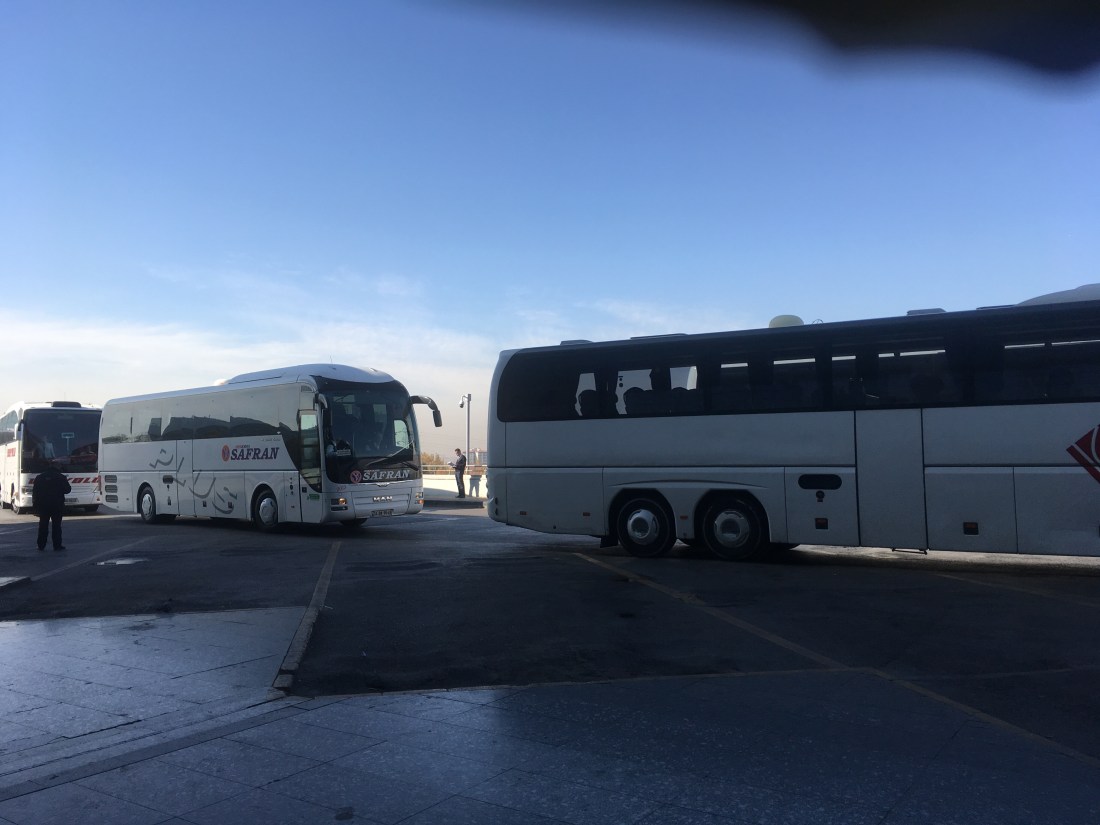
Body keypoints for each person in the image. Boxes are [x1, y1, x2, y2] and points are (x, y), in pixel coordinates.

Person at [32, 462, 71, 551]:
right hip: (57, 505)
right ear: (57, 467)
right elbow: (67, 490)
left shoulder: (40, 477)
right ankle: (57, 545)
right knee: (56, 526)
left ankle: (41, 545)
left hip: (43, 505)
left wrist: (35, 504)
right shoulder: (61, 477)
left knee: (43, 525)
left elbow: (35, 492)